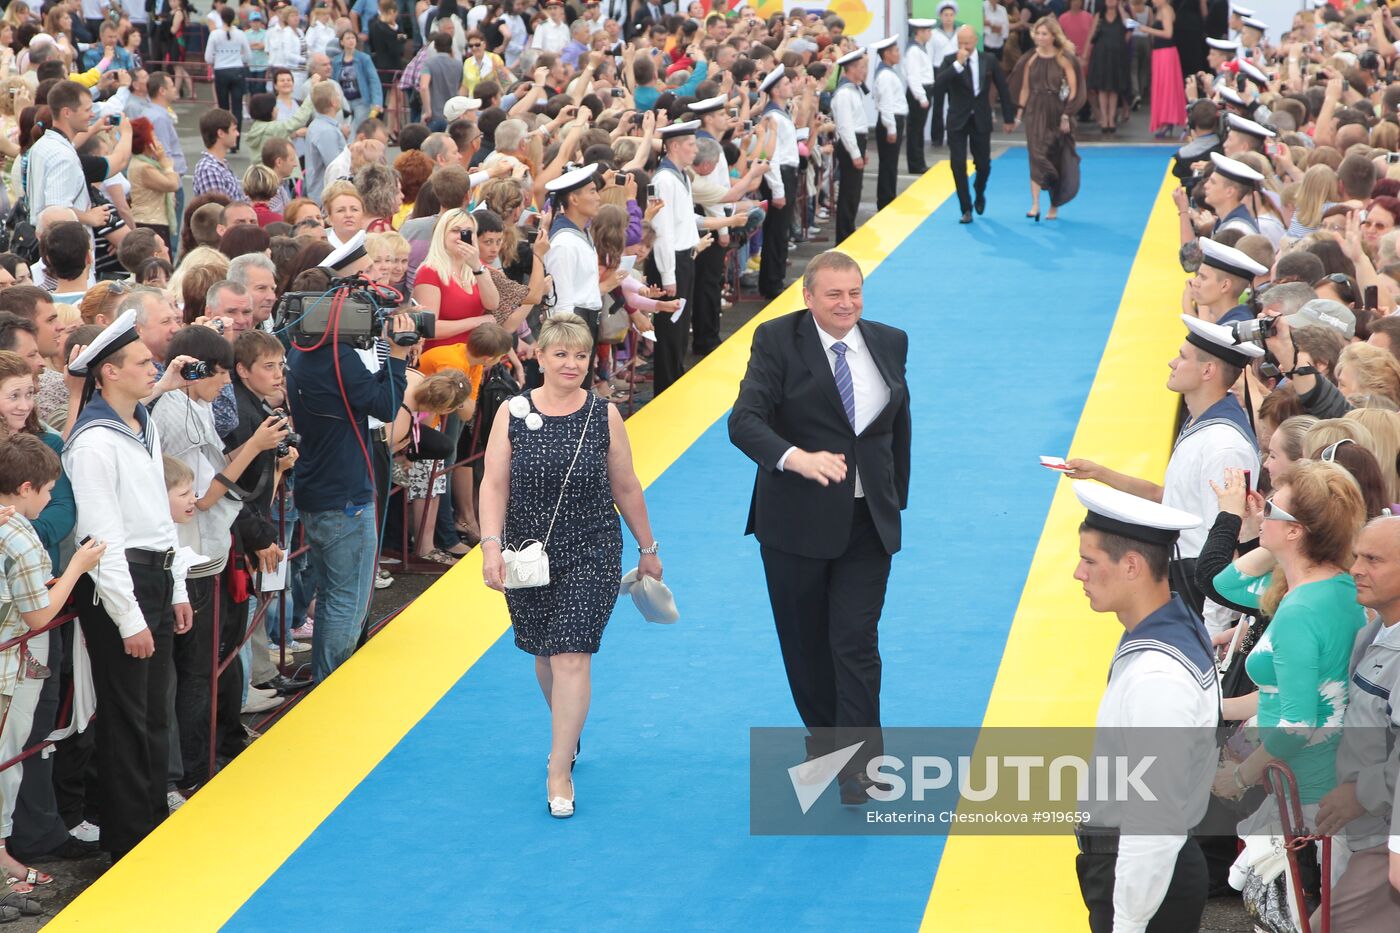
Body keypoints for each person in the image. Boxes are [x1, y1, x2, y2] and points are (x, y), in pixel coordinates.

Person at [728, 250, 911, 805]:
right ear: (808, 297)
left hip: (867, 522)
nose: (846, 304)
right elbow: (745, 422)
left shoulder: (889, 340)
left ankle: (860, 765)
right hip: (796, 525)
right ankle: (827, 741)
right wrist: (795, 458)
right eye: (834, 294)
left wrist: (895, 495)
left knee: (855, 641)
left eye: (854, 292)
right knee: (806, 645)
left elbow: (897, 422)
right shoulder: (777, 340)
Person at [479, 312, 662, 819]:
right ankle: (569, 732)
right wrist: (490, 545)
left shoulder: (604, 414)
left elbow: (625, 485)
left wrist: (647, 547)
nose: (571, 363)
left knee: (571, 654)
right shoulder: (511, 412)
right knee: (543, 653)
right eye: (560, 354)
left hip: (592, 548)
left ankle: (558, 769)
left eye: (580, 355)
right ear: (539, 357)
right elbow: (493, 483)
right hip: (525, 552)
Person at [62, 310, 193, 863]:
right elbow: (102, 538)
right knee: (125, 718)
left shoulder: (143, 419)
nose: (153, 368)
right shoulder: (93, 442)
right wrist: (131, 618)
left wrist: (179, 584)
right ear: (109, 373)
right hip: (120, 583)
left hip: (156, 571)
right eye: (142, 362)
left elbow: (160, 517)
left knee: (154, 713)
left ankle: (152, 826)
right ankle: (127, 840)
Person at [1069, 482, 1216, 933]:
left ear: (1131, 566)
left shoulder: (1157, 676)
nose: (1078, 573)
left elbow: (1155, 818)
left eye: (1090, 560)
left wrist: (1130, 920)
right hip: (1148, 873)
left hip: (1145, 884)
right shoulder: (1173, 626)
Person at [1067, 316, 1261, 628]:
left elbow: (1229, 541)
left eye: (1182, 357)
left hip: (1198, 591)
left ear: (1207, 371)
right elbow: (1169, 497)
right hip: (1184, 578)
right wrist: (1099, 473)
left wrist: (1212, 629)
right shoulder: (1200, 424)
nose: (1172, 362)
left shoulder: (1224, 445)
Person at [286, 240, 413, 682]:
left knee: (331, 587)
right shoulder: (333, 355)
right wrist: (396, 356)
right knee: (346, 598)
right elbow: (382, 404)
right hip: (344, 495)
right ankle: (331, 686)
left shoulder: (299, 350)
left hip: (321, 487)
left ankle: (326, 678)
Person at [1316, 517, 1400, 930]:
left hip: (1384, 843)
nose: (1355, 568)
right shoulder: (1375, 632)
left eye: (1373, 559)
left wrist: (1360, 793)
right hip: (1361, 832)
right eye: (1356, 556)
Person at [933, 25, 1014, 225]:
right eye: (960, 42)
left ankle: (979, 191)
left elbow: (1003, 88)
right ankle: (966, 208)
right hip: (957, 120)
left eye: (967, 42)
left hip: (980, 118)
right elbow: (939, 85)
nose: (964, 46)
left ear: (975, 40)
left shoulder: (989, 60)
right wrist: (957, 65)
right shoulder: (950, 61)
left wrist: (1009, 118)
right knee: (958, 164)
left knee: (984, 165)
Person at [1013, 16, 1084, 221]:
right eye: (1038, 33)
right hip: (1035, 111)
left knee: (1054, 156)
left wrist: (1066, 114)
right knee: (1035, 155)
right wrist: (1019, 114)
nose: (1040, 37)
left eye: (1045, 34)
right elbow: (1025, 88)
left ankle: (1054, 204)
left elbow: (1074, 89)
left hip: (1056, 111)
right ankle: (1035, 204)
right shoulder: (1031, 59)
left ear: (1054, 36)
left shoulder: (1064, 58)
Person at [649, 120, 700, 395]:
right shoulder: (664, 180)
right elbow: (662, 230)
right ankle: (666, 388)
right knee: (670, 330)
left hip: (683, 258)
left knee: (680, 327)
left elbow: (682, 220)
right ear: (675, 146)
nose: (695, 149)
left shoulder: (680, 175)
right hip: (671, 262)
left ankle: (675, 380)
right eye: (691, 144)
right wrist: (668, 275)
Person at [757, 65, 799, 301]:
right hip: (779, 175)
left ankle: (776, 277)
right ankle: (771, 282)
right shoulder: (772, 116)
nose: (790, 86)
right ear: (774, 91)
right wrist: (778, 190)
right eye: (785, 84)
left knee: (780, 232)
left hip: (787, 173)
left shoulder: (780, 113)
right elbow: (769, 156)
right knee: (775, 232)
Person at [542, 164, 603, 322]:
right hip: (574, 324)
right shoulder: (564, 242)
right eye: (592, 191)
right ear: (574, 199)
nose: (598, 197)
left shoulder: (581, 233)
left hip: (587, 319)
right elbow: (562, 300)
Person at [830, 48, 870, 245]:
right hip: (849, 145)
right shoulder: (845, 93)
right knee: (848, 193)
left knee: (854, 192)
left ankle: (849, 231)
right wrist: (855, 153)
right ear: (851, 69)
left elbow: (859, 122)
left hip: (857, 142)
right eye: (862, 67)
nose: (865, 71)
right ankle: (844, 236)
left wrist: (863, 150)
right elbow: (846, 127)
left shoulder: (853, 90)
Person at [869, 37, 907, 211]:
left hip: (892, 119)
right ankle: (886, 199)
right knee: (888, 163)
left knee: (890, 162)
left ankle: (888, 196)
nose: (898, 54)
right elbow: (886, 104)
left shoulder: (888, 72)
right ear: (887, 54)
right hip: (890, 121)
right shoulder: (885, 75)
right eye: (896, 51)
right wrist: (891, 128)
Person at [204, 7, 251, 144]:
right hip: (237, 70)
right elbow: (248, 56)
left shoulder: (214, 34)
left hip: (221, 71)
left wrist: (218, 59)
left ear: (221, 18)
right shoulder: (241, 34)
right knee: (237, 107)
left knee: (223, 107)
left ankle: (224, 140)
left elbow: (208, 58)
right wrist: (238, 59)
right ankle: (236, 141)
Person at [1086, 0, 1132, 135]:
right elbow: (1091, 34)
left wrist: (1121, 9)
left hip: (1117, 56)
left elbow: (1130, 26)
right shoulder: (1099, 15)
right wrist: (1085, 54)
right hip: (1101, 55)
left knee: (1114, 88)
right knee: (1102, 88)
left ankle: (1111, 119)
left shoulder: (1123, 15)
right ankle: (1104, 119)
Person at [903, 19, 936, 176]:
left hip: (924, 89)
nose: (930, 33)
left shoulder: (921, 48)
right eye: (928, 30)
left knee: (918, 129)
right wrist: (921, 97)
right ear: (920, 32)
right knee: (915, 129)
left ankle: (919, 162)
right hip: (919, 91)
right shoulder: (914, 51)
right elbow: (913, 76)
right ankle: (916, 164)